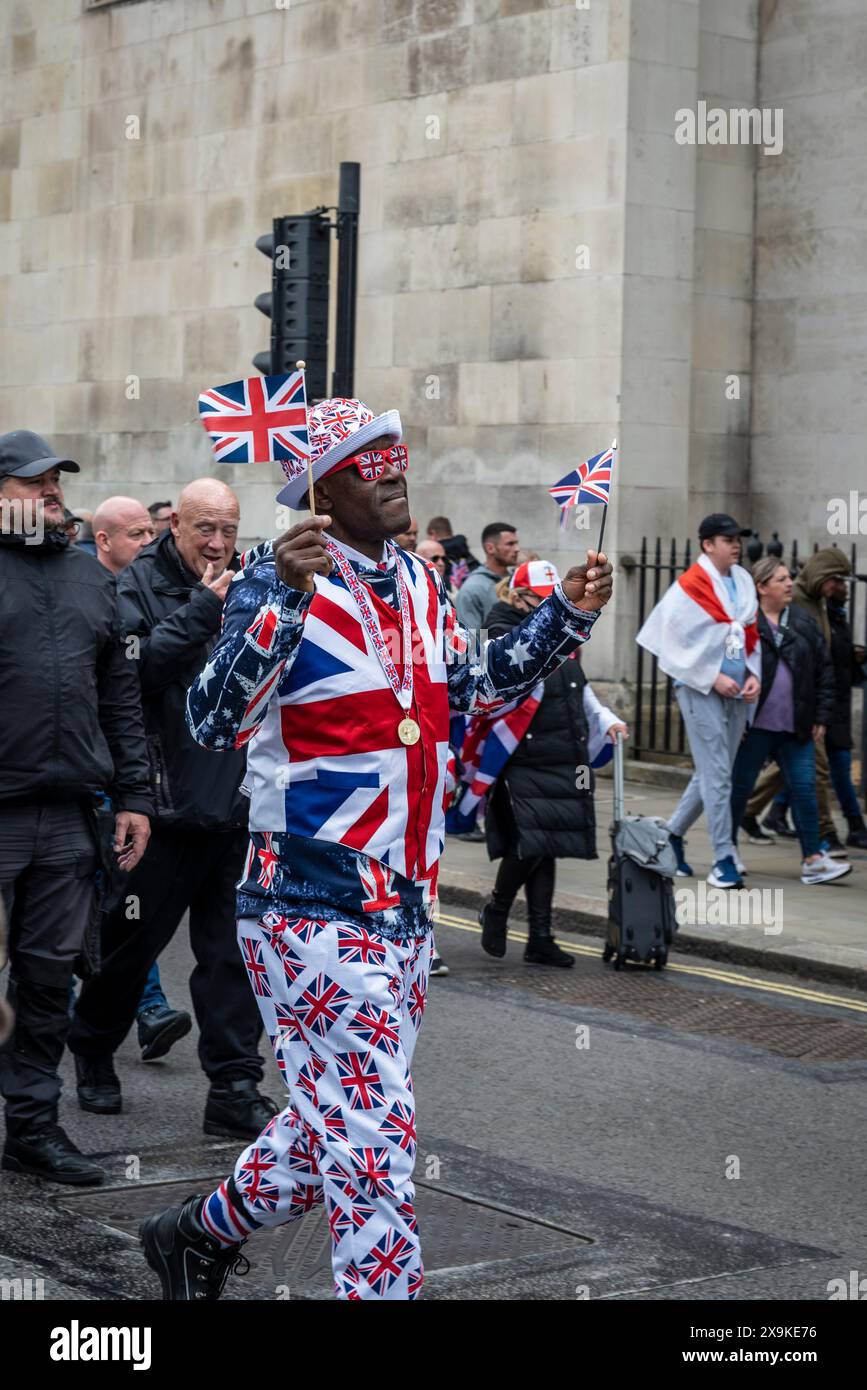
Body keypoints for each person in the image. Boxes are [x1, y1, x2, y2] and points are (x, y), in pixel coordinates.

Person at [138, 396, 613, 1302]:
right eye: (367, 459)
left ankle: (193, 1235)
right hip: (307, 900)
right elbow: (209, 719)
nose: (393, 468)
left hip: (403, 905)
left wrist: (560, 618)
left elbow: (466, 687)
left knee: (340, 1122)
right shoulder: (271, 583)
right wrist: (278, 593)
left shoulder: (421, 583)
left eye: (396, 453)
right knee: (375, 1140)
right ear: (323, 488)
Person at [69, 481, 276, 1139]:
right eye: (204, 530)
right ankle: (94, 1048)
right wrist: (202, 610)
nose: (216, 543)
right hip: (160, 810)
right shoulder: (133, 586)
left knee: (233, 958)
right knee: (128, 951)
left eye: (228, 530)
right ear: (175, 528)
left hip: (235, 807)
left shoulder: (251, 584)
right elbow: (132, 676)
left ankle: (235, 1086)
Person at [0, 430, 153, 1186]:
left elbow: (121, 698)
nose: (51, 491)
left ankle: (32, 1129)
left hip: (67, 818)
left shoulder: (91, 578)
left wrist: (134, 796)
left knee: (46, 981)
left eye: (57, 479)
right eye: (33, 481)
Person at [479, 561, 628, 965]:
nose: (549, 606)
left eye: (552, 598)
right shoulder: (499, 632)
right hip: (522, 755)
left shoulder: (561, 628)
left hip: (562, 751)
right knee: (531, 842)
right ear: (517, 595)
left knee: (548, 845)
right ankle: (497, 907)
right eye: (540, 599)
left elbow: (578, 686)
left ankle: (540, 937)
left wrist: (607, 720)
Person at [637, 513, 761, 889]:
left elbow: (750, 633)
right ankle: (724, 857)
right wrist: (711, 676)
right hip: (699, 688)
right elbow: (674, 646)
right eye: (727, 539)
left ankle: (669, 836)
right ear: (708, 544)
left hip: (738, 689)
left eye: (737, 538)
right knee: (719, 774)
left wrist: (752, 674)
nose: (735, 544)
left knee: (712, 772)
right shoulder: (689, 586)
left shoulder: (742, 580)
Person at [729, 559, 850, 884]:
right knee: (740, 789)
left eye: (789, 578)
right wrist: (733, 718)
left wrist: (822, 716)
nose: (789, 584)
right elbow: (729, 668)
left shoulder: (802, 620)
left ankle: (813, 858)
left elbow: (824, 671)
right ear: (761, 586)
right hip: (753, 727)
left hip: (796, 726)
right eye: (781, 579)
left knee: (805, 789)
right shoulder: (744, 621)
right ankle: (727, 852)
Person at [454, 522, 520, 631]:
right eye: (510, 544)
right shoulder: (472, 589)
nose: (517, 549)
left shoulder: (517, 581)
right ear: (490, 548)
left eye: (517, 543)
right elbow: (472, 641)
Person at [92, 496, 155, 574]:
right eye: (137, 534)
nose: (149, 541)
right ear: (104, 541)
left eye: (151, 533)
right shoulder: (80, 583)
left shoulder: (164, 581)